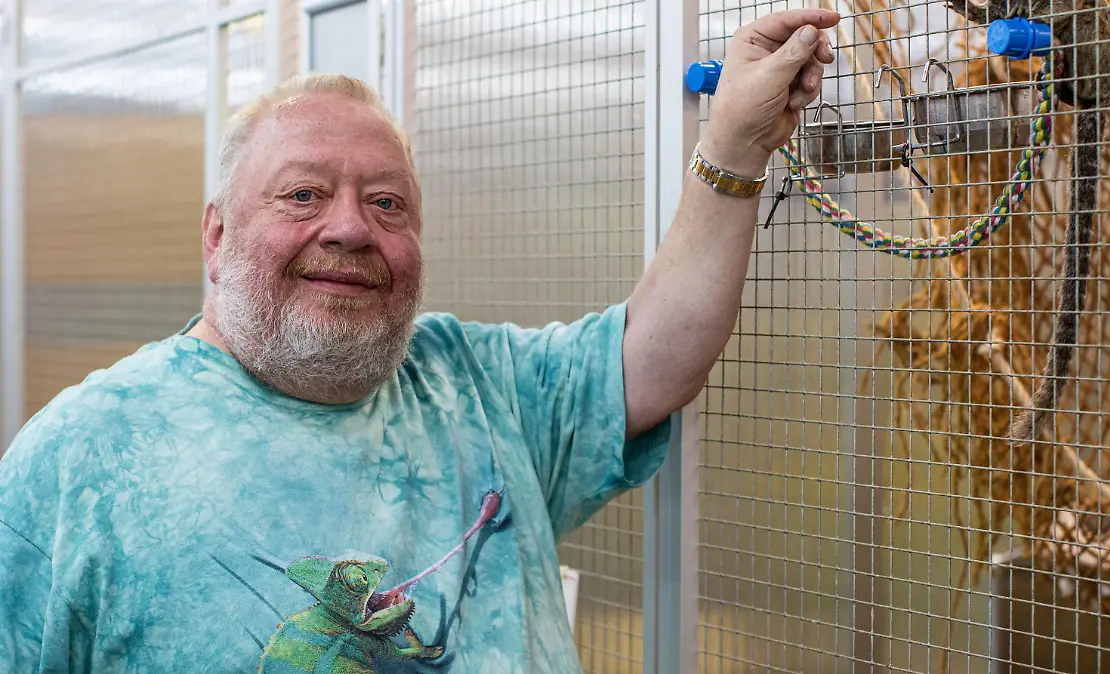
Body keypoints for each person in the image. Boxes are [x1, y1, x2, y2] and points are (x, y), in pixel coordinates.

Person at [0, 8, 838, 673]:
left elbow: (655, 354)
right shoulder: (83, 461)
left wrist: (731, 144)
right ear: (217, 236)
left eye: (388, 203)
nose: (349, 229)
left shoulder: (471, 381)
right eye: (302, 194)